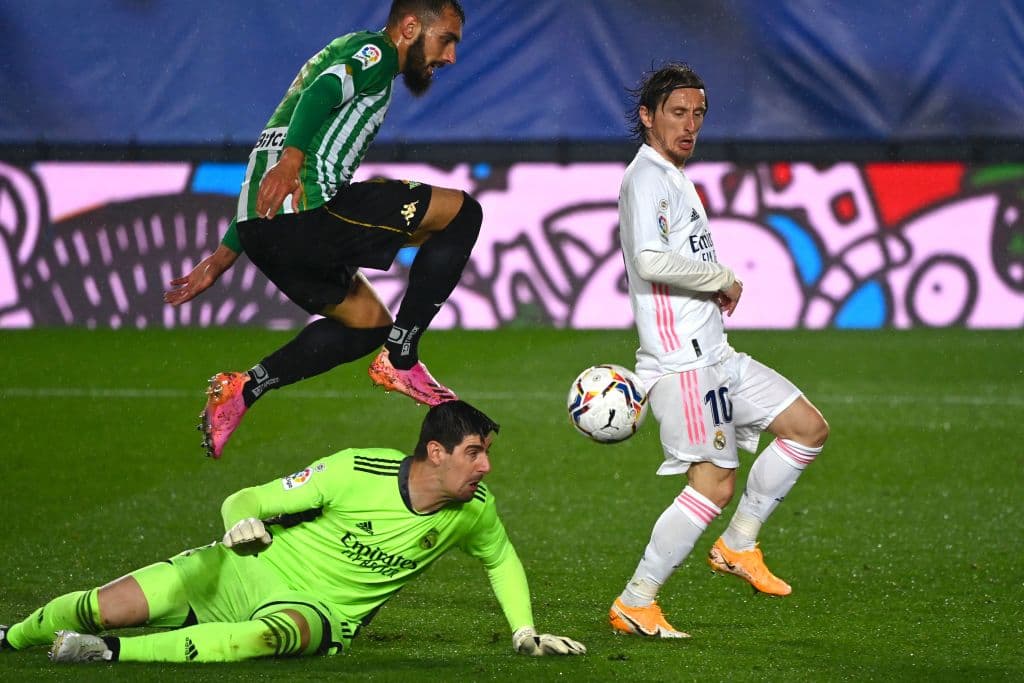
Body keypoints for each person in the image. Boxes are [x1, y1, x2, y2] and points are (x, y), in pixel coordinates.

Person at [0, 401, 586, 664]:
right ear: (436, 453)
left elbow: (501, 559)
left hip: (320, 611)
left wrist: (524, 630)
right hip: (241, 569)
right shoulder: (355, 469)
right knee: (104, 605)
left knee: (262, 640)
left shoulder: (474, 509)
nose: (485, 467)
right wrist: (241, 523)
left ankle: (107, 655)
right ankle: (14, 637)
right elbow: (246, 497)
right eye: (474, 453)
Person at [163, 0, 481, 459]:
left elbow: (267, 161)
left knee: (367, 322)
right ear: (410, 27)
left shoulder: (341, 48)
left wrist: (224, 254)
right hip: (310, 213)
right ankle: (402, 356)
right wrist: (295, 159)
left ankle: (245, 388)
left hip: (262, 228)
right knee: (462, 214)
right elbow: (322, 95)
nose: (449, 57)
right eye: (445, 40)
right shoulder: (375, 54)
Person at [608, 63, 830, 638]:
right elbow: (649, 259)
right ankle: (637, 599)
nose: (689, 125)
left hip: (716, 353)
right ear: (647, 116)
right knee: (712, 485)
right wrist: (720, 277)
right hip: (681, 361)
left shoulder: (676, 178)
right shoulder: (647, 178)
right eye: (677, 113)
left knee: (806, 427)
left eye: (698, 114)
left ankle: (738, 542)